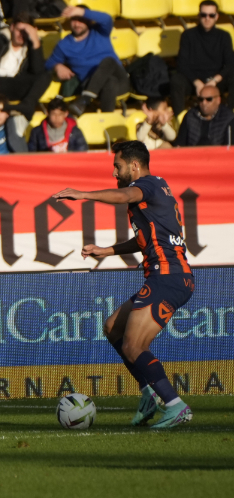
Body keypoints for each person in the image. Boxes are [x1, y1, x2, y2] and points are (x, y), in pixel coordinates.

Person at [54, 141, 195, 430]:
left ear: (134, 165)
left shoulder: (146, 185)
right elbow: (145, 239)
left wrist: (83, 194)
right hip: (166, 276)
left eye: (117, 166)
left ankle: (175, 405)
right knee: (113, 328)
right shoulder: (157, 189)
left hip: (168, 276)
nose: (114, 173)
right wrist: (106, 250)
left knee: (133, 345)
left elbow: (124, 194)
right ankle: (148, 394)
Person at [46, 5, 128, 116]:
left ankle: (85, 99)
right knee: (110, 82)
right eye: (74, 20)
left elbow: (107, 19)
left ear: (89, 20)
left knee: (109, 61)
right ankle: (107, 120)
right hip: (92, 84)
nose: (77, 24)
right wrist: (57, 66)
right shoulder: (64, 45)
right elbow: (48, 63)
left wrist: (82, 11)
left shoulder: (100, 32)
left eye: (81, 20)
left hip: (120, 81)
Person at [171, 1, 234, 115]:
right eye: (203, 15)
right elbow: (182, 64)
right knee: (176, 80)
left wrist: (214, 81)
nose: (207, 18)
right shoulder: (188, 35)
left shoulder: (224, 36)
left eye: (211, 15)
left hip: (216, 81)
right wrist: (197, 82)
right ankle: (180, 119)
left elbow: (230, 64)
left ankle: (228, 116)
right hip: (194, 81)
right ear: (198, 16)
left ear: (217, 17)